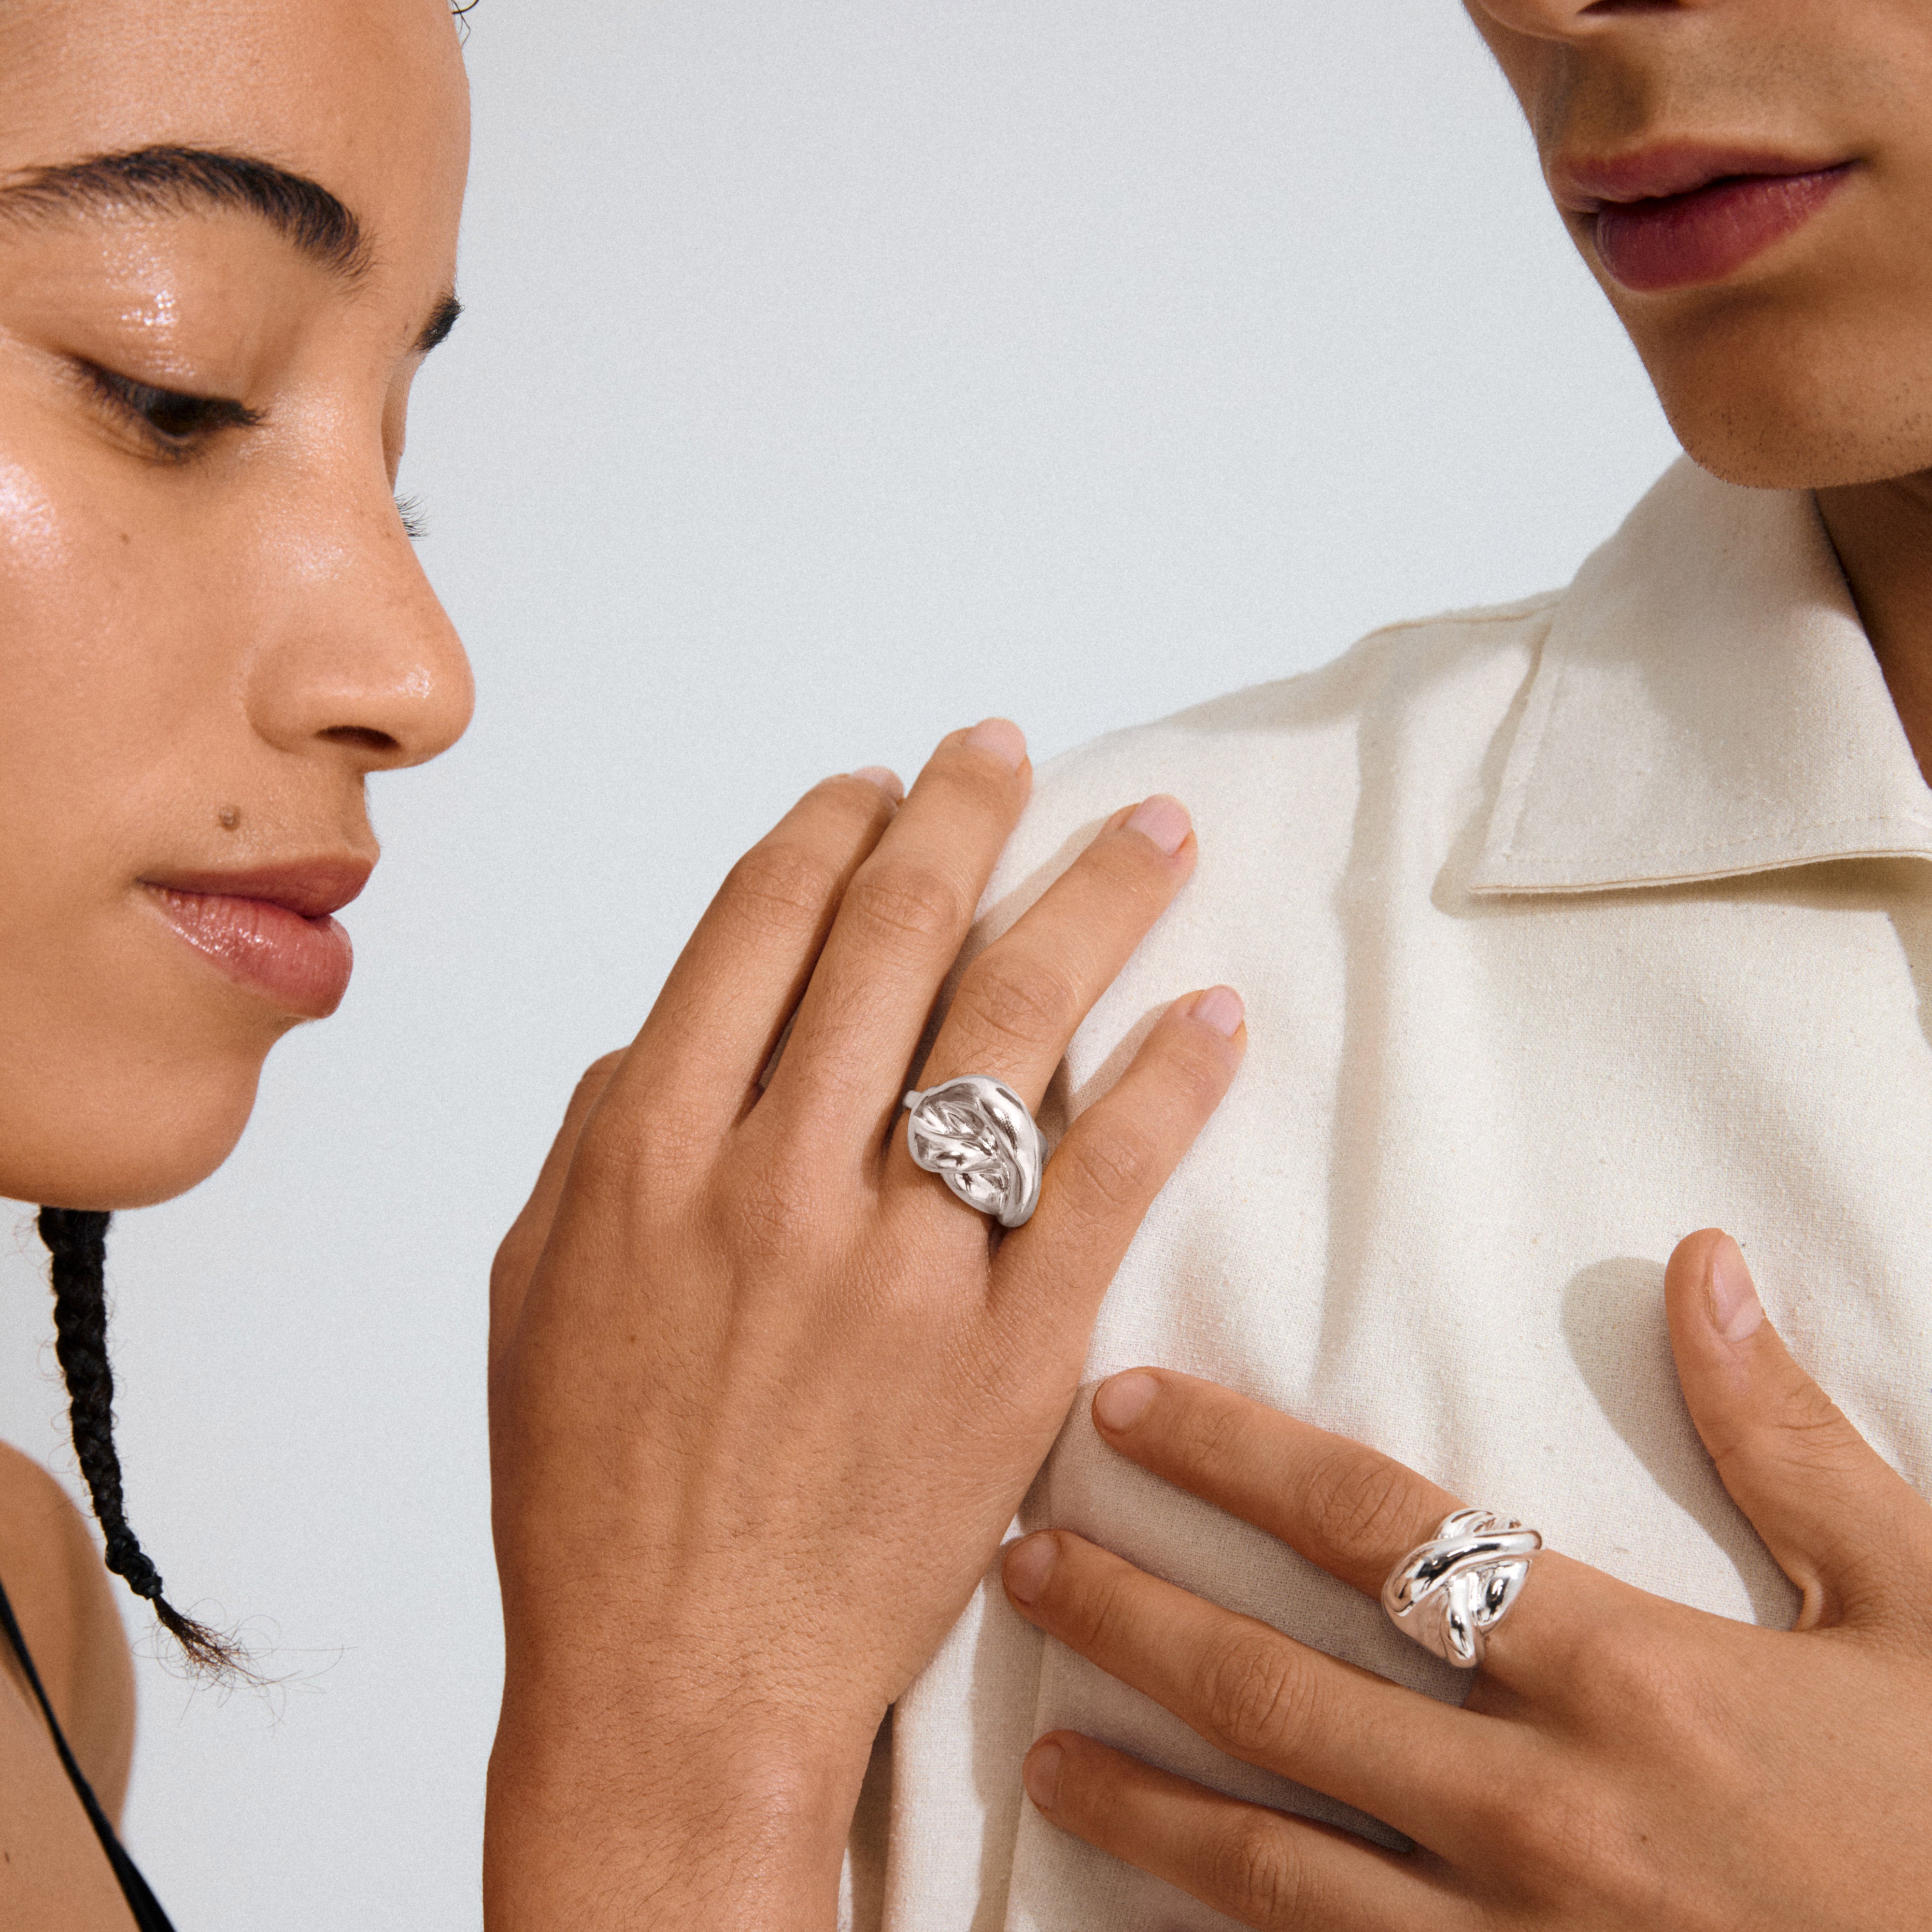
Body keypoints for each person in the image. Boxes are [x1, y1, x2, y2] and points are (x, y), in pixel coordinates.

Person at [0, 2, 1245, 1926]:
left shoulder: (28, 1614)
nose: (420, 672)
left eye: (393, 465)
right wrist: (683, 1758)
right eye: (176, 391)